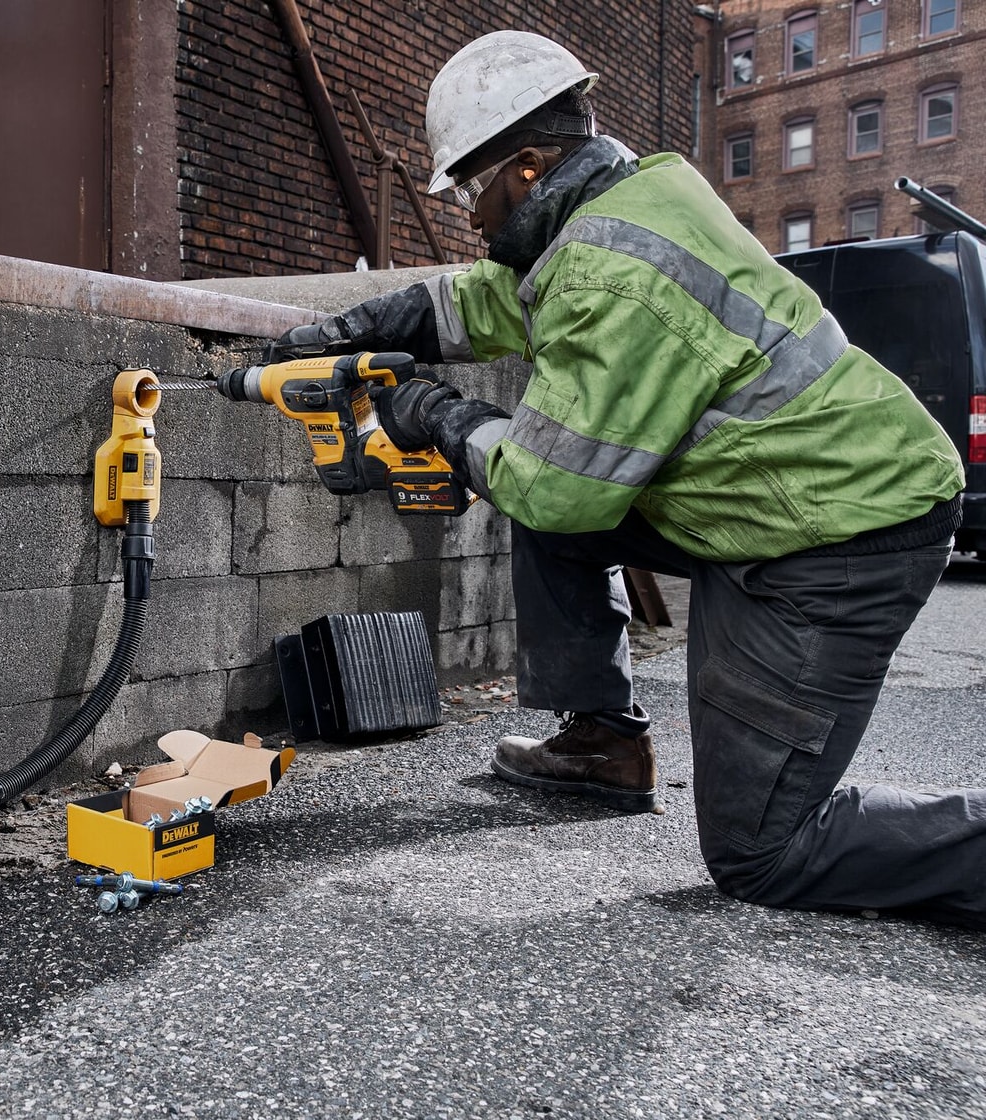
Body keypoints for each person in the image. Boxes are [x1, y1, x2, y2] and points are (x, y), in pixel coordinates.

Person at [269, 30, 984, 928]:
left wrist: (437, 417)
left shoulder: (612, 272)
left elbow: (556, 487)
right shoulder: (636, 199)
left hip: (841, 537)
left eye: (470, 191)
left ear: (526, 168)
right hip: (770, 501)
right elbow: (493, 299)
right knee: (550, 501)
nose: (469, 217)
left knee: (766, 852)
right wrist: (369, 321)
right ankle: (602, 743)